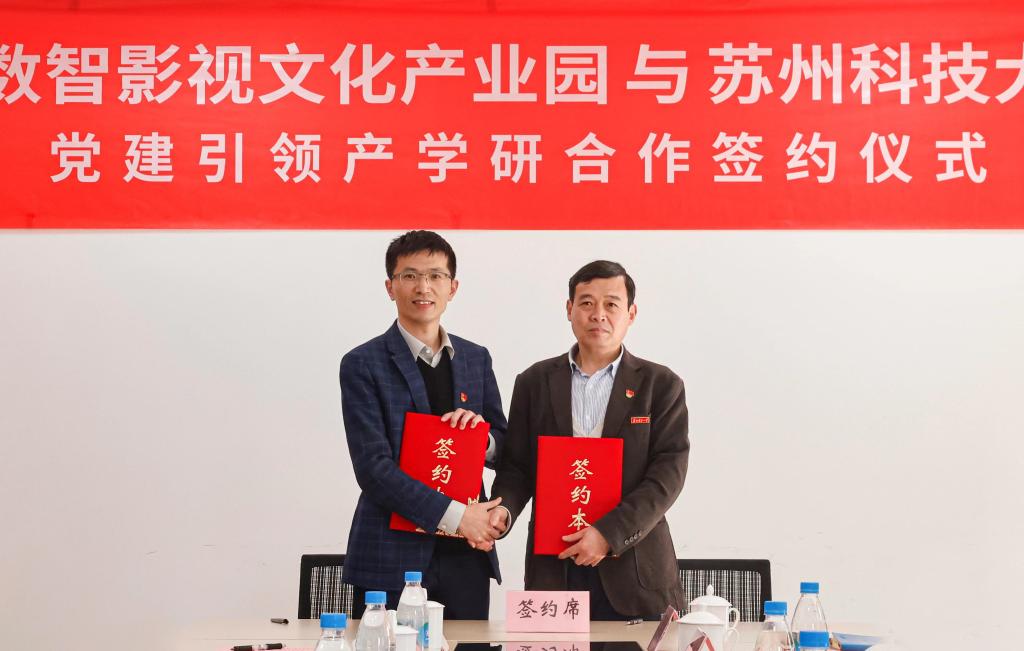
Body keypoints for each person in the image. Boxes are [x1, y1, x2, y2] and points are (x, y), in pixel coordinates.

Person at [489, 260, 688, 620]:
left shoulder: (660, 385)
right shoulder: (534, 381)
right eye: (586, 303)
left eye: (611, 304)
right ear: (569, 309)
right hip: (554, 568)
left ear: (631, 313)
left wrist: (608, 534)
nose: (598, 314)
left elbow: (666, 478)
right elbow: (517, 467)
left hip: (635, 570)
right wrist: (503, 511)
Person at [339, 230, 507, 619]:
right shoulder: (362, 363)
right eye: (410, 275)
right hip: (390, 554)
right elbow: (373, 468)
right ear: (390, 287)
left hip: (465, 555)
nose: (423, 287)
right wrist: (458, 517)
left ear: (453, 287)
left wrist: (482, 439)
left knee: (470, 646)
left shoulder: (475, 358)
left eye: (435, 276)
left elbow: (504, 444)